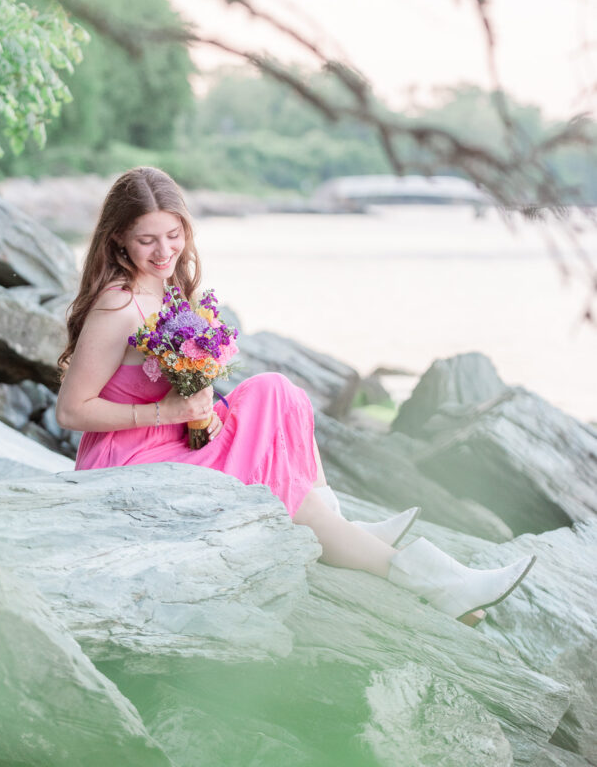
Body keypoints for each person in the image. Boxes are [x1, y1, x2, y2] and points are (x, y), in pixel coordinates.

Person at [56, 166, 535, 627]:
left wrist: (195, 396)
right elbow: (71, 411)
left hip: (171, 438)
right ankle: (431, 578)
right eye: (147, 239)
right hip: (128, 461)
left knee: (275, 390)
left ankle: (333, 521)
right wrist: (166, 410)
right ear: (117, 237)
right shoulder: (117, 304)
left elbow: (176, 378)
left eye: (174, 234)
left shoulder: (169, 289)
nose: (164, 250)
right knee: (274, 476)